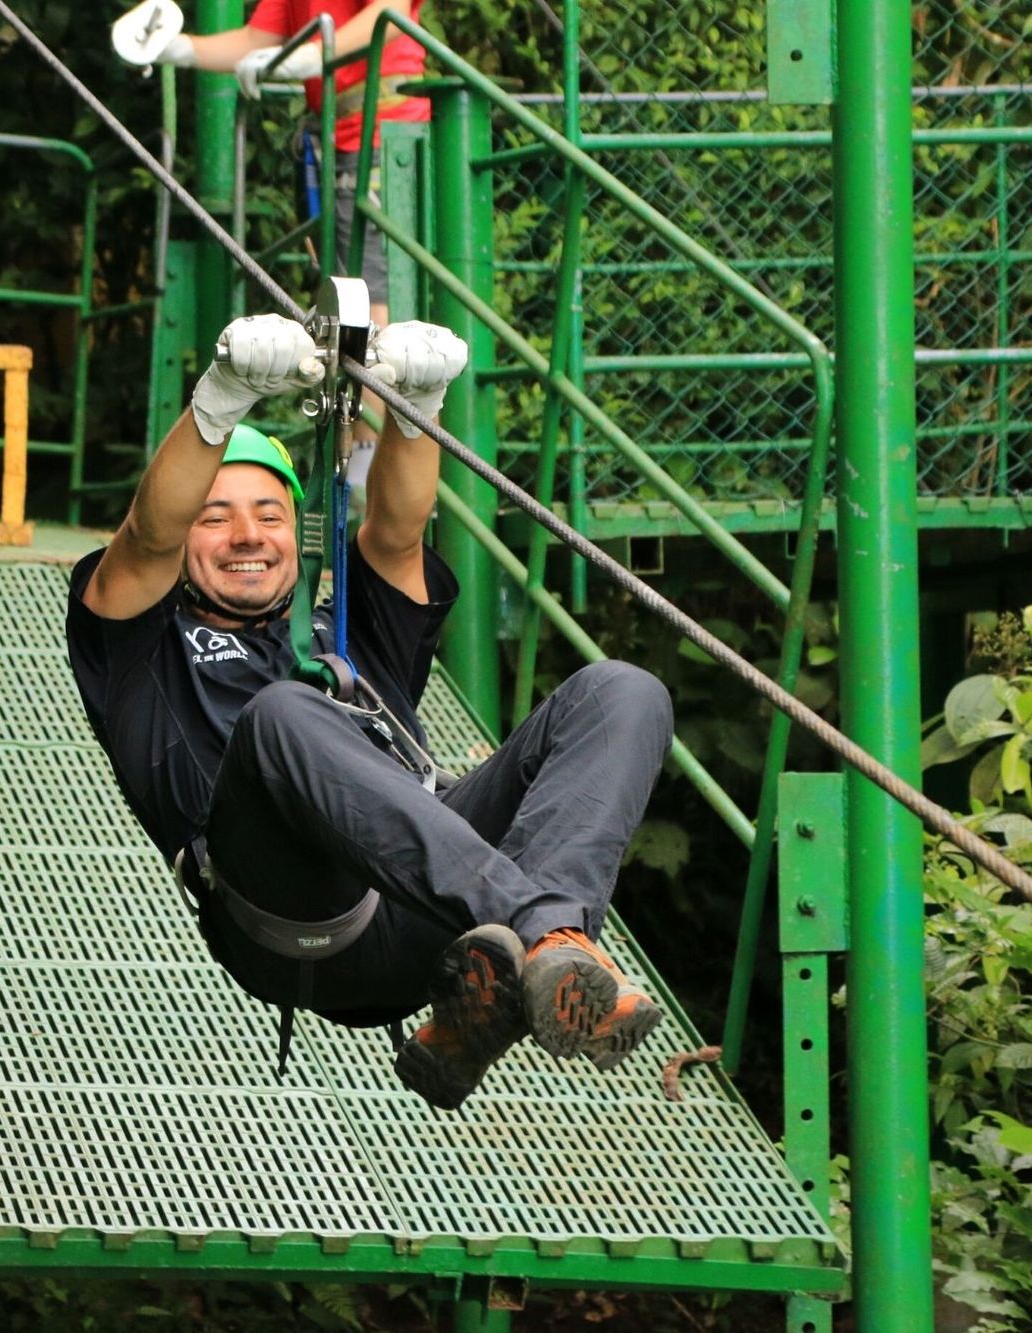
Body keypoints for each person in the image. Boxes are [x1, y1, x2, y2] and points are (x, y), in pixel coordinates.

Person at [65, 313, 676, 1111]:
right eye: (214, 517)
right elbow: (146, 536)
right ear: (187, 539)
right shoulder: (142, 651)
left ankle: (506, 979)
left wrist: (417, 403)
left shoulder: (343, 626)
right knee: (284, 715)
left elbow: (394, 531)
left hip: (434, 918)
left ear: (299, 529)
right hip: (290, 916)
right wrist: (221, 402)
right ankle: (541, 931)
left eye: (269, 514)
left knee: (623, 691)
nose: (247, 534)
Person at [141, 0, 429, 470]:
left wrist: (313, 56)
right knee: (347, 305)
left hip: (384, 134)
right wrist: (180, 49)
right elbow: (257, 40)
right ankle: (355, 456)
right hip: (335, 142)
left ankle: (372, 460)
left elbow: (389, 13)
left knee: (374, 305)